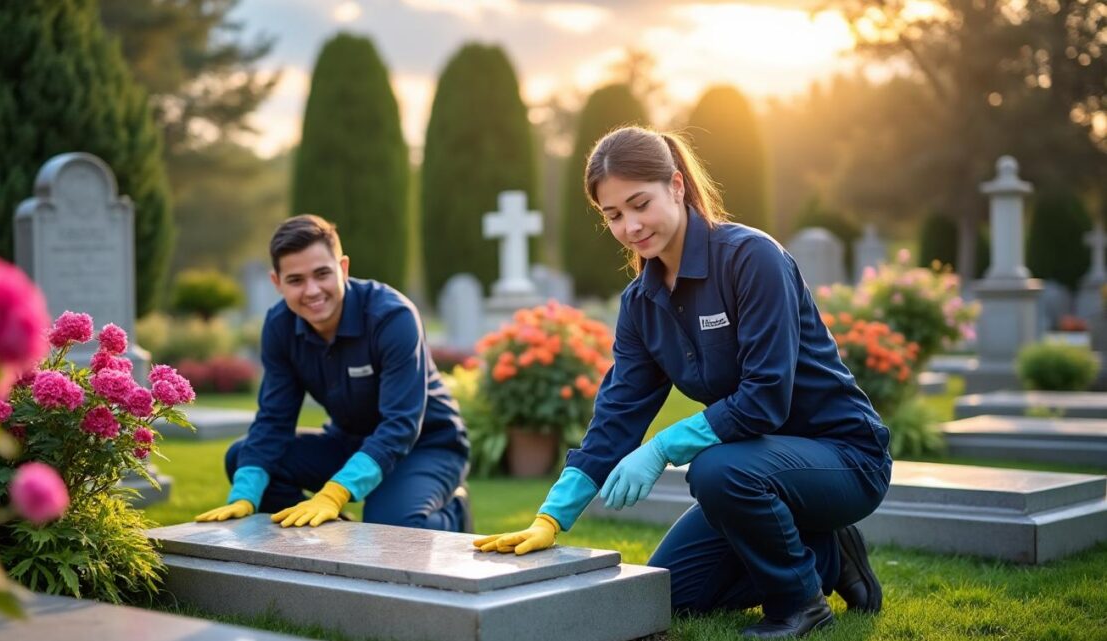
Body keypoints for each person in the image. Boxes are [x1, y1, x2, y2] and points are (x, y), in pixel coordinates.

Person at [473, 127, 890, 639]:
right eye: (613, 215)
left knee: (715, 470)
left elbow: (765, 399)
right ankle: (827, 553)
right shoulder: (640, 304)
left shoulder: (751, 258)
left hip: (844, 458)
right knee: (673, 595)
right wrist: (551, 518)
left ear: (675, 186)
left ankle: (799, 603)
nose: (630, 226)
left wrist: (662, 447)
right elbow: (617, 415)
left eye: (639, 204)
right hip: (758, 466)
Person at [196, 214, 471, 532]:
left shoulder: (392, 317)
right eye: (296, 280)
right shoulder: (279, 325)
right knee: (244, 457)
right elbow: (274, 419)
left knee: (393, 526)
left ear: (343, 267)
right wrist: (243, 496)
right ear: (277, 283)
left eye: (322, 274)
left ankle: (455, 512)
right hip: (348, 442)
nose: (312, 291)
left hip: (426, 445)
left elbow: (401, 425)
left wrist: (334, 493)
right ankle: (333, 536)